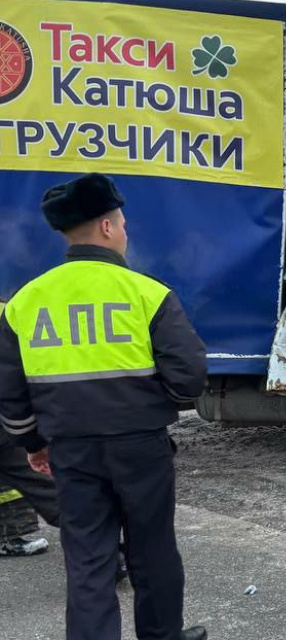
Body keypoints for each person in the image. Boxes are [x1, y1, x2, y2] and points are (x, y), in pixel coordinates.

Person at [0, 174, 208, 640]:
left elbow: (10, 394)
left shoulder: (25, 302)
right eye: (125, 224)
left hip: (70, 450)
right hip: (141, 447)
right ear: (110, 228)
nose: (127, 232)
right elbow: (190, 376)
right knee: (152, 550)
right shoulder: (147, 294)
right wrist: (155, 407)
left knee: (88, 558)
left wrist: (34, 444)